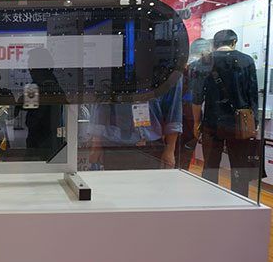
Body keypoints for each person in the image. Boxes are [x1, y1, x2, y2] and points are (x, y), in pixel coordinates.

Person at [192, 29, 259, 197]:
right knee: (239, 166)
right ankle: (240, 201)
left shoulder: (204, 61)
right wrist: (255, 122)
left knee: (210, 166)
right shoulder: (246, 61)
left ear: (215, 44)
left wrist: (196, 123)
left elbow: (197, 98)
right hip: (239, 123)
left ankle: (209, 201)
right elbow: (252, 95)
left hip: (212, 122)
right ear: (234, 42)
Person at [89, 79, 183, 170]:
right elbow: (100, 101)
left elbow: (173, 109)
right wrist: (96, 142)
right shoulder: (115, 70)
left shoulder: (165, 70)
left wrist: (170, 150)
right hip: (115, 146)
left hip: (151, 149)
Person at [177, 38, 212, 169]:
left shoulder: (180, 67)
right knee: (187, 149)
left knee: (176, 149)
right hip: (192, 114)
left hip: (177, 113)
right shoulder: (201, 68)